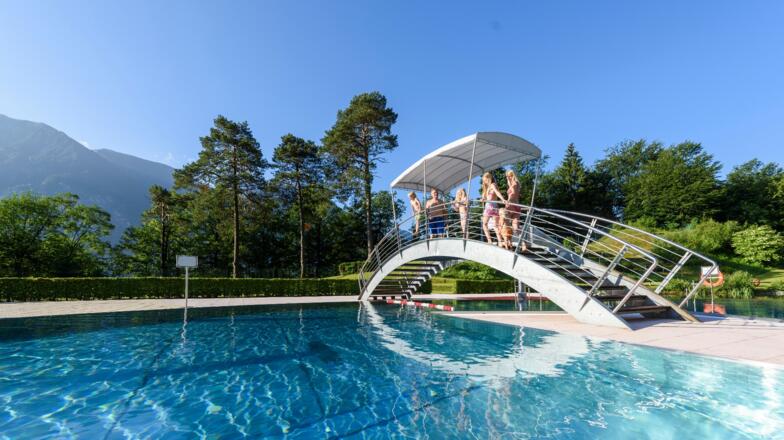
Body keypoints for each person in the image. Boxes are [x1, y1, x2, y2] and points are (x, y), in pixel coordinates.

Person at [480, 172, 506, 244]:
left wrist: (502, 199)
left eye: (485, 180)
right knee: (495, 226)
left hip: (489, 207)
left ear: (489, 178)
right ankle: (500, 242)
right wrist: (483, 199)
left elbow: (497, 192)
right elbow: (484, 198)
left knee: (485, 224)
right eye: (484, 181)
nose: (485, 182)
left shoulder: (492, 185)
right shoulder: (486, 188)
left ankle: (490, 240)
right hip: (494, 207)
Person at [505, 169, 526, 252]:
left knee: (506, 225)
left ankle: (509, 244)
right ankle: (524, 245)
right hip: (517, 206)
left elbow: (513, 193)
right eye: (507, 176)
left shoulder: (513, 184)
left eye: (509, 176)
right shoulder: (517, 184)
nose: (508, 178)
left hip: (510, 206)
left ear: (512, 176)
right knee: (516, 228)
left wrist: (508, 200)